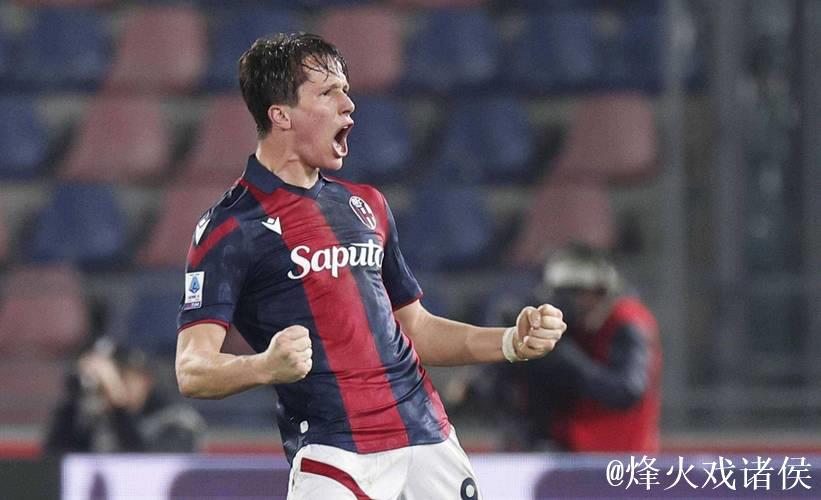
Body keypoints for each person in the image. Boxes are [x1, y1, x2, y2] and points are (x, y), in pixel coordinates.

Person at [175, 32, 566, 499]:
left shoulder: (366, 205)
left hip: (428, 438)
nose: (349, 105)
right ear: (281, 115)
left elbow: (415, 329)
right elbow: (192, 369)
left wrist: (509, 343)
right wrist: (263, 367)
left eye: (346, 90)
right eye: (328, 93)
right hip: (335, 455)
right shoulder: (229, 228)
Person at [467, 244, 662, 453]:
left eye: (570, 293)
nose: (563, 302)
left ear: (594, 291)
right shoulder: (579, 328)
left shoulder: (626, 321)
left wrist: (565, 360)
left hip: (615, 455)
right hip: (568, 447)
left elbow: (627, 390)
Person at [45, 336, 205, 454]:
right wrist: (75, 403)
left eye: (121, 376)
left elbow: (147, 469)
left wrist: (118, 402)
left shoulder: (178, 420)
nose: (109, 385)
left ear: (145, 380)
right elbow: (53, 466)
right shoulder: (91, 419)